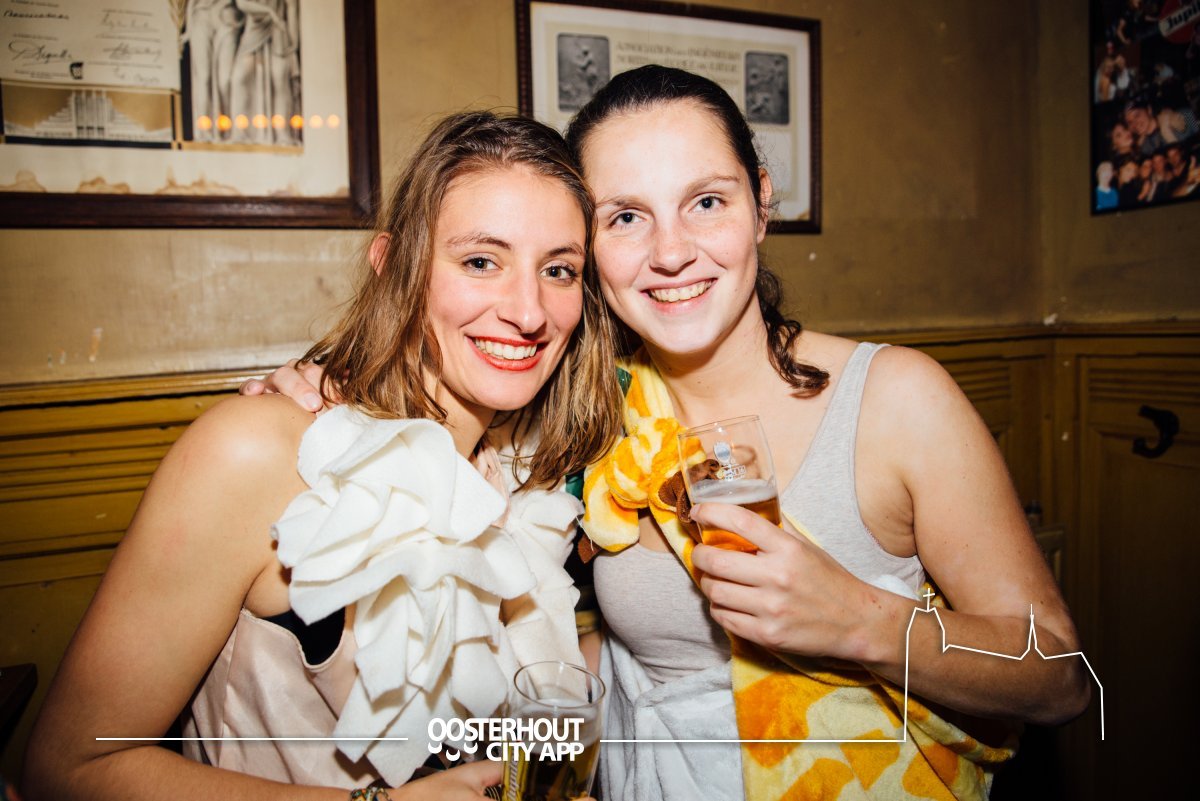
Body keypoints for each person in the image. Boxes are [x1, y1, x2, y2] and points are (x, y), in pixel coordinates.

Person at [249, 66, 1092, 800]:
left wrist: (861, 621)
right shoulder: (586, 410)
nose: (671, 252)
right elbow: (601, 652)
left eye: (706, 202)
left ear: (762, 204)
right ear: (587, 247)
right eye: (625, 217)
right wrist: (338, 395)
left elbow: (1060, 676)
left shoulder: (896, 399)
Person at [21, 111, 620, 801]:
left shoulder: (526, 471)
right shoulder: (257, 451)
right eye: (481, 261)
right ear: (393, 266)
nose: (530, 312)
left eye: (559, 270)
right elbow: (69, 768)